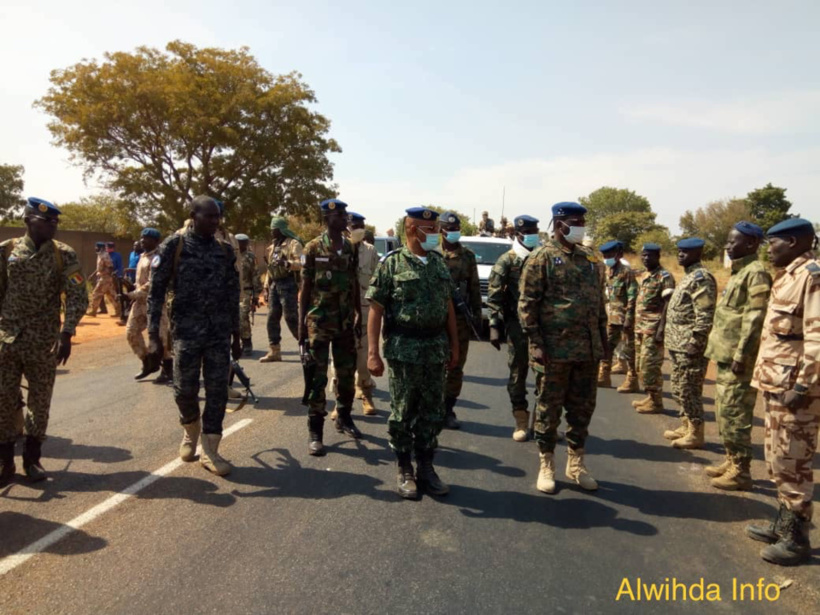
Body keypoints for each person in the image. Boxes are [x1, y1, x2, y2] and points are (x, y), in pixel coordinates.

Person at [367, 206, 459, 499]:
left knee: (432, 411)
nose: (435, 234)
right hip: (403, 349)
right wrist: (372, 352)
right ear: (411, 229)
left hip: (435, 348)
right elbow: (376, 309)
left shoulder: (438, 263)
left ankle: (426, 467)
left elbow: (448, 308)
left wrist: (454, 345)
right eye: (429, 229)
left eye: (435, 229)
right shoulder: (391, 264)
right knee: (403, 411)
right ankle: (404, 467)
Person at [146, 195, 241, 476]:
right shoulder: (173, 246)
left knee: (216, 392)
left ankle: (211, 449)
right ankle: (190, 430)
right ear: (193, 215)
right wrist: (154, 333)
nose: (215, 221)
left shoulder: (224, 250)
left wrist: (237, 335)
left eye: (217, 217)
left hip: (219, 333)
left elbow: (233, 292)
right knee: (184, 389)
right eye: (209, 216)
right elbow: (156, 292)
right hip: (186, 333)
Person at [518, 202, 607, 494]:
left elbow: (599, 305)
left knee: (582, 409)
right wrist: (536, 343)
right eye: (575, 222)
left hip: (587, 351)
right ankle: (547, 464)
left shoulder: (590, 258)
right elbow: (527, 305)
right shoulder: (541, 258)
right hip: (554, 351)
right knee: (548, 409)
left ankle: (576, 464)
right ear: (559, 224)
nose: (581, 226)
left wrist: (603, 343)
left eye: (583, 221)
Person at [745, 218, 819, 567]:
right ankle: (782, 523)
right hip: (776, 381)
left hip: (796, 388)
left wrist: (805, 385)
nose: (767, 249)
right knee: (777, 458)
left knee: (793, 461)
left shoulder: (812, 276)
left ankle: (797, 538)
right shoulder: (790, 274)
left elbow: (817, 337)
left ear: (791, 241)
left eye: (771, 243)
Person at [0, 197, 88, 486]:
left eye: (55, 221)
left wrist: (67, 334)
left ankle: (32, 459)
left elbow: (77, 296)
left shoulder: (64, 254)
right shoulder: (7, 251)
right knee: (3, 401)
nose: (53, 226)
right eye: (46, 221)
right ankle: (5, 463)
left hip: (44, 342)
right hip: (7, 341)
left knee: (39, 402)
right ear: (28, 220)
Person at [703, 222, 771, 490]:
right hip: (725, 355)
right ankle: (731, 461)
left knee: (736, 415)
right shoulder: (739, 272)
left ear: (752, 244)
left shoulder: (756, 273)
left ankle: (742, 471)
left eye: (734, 242)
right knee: (724, 412)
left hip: (738, 359)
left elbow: (754, 319)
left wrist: (742, 355)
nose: (729, 246)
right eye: (728, 242)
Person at [299, 199, 362, 456]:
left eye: (345, 214)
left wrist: (358, 313)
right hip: (319, 322)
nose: (345, 218)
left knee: (347, 375)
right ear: (327, 218)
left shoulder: (349, 246)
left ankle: (344, 416)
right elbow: (305, 289)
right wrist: (303, 326)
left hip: (346, 322)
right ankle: (316, 431)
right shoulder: (312, 247)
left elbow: (354, 282)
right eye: (340, 215)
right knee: (317, 377)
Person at [487, 214, 540, 441]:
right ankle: (521, 420)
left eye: (534, 231)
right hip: (517, 327)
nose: (532, 236)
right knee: (518, 373)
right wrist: (494, 326)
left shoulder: (543, 257)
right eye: (528, 232)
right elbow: (494, 296)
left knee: (546, 376)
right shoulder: (506, 261)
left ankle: (541, 422)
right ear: (518, 234)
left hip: (545, 328)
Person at [663, 238, 717, 449]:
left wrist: (696, 341)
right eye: (679, 251)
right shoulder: (689, 276)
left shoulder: (701, 278)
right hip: (678, 344)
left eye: (686, 252)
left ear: (698, 253)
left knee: (689, 389)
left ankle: (696, 432)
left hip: (689, 346)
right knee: (678, 387)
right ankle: (686, 425)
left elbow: (704, 314)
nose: (681, 255)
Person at [330, 212, 380, 417]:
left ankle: (366, 395)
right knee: (338, 360)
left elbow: (378, 283)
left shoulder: (371, 252)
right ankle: (339, 402)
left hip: (365, 313)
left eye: (361, 226)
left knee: (363, 359)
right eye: (354, 226)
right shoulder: (338, 250)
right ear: (346, 228)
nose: (359, 229)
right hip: (341, 312)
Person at [440, 212, 481, 429]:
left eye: (457, 228)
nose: (454, 232)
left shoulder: (468, 256)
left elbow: (474, 288)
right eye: (450, 228)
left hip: (461, 320)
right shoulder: (432, 254)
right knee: (434, 366)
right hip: (435, 320)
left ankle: (448, 409)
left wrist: (477, 317)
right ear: (441, 230)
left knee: (456, 366)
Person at [632, 243, 676, 413]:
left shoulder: (664, 277)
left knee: (650, 366)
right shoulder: (645, 275)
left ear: (658, 256)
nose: (645, 258)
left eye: (649, 255)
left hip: (653, 329)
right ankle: (650, 397)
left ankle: (657, 402)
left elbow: (668, 305)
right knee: (640, 366)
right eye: (643, 255)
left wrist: (661, 329)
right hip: (640, 327)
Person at [126, 228, 173, 384]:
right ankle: (148, 362)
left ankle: (167, 370)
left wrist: (133, 294)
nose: (142, 241)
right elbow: (140, 281)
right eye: (141, 238)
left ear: (155, 241)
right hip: (139, 303)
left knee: (161, 339)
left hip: (156, 303)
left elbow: (153, 283)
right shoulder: (142, 257)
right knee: (131, 332)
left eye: (146, 238)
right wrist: (131, 287)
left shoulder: (158, 257)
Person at [597, 240, 639, 392]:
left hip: (624, 318)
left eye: (609, 255)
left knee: (629, 350)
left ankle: (632, 379)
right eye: (604, 255)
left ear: (618, 255)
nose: (606, 258)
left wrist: (629, 318)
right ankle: (604, 376)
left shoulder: (626, 273)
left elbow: (633, 296)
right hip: (610, 318)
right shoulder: (606, 271)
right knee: (607, 347)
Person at [260, 216, 303, 363]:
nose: (272, 232)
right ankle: (274, 351)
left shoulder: (293, 244)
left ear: (280, 230)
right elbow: (270, 268)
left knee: (291, 317)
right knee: (272, 317)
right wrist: (266, 287)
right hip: (274, 284)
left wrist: (287, 263)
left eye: (274, 229)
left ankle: (306, 345)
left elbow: (302, 262)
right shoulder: (272, 246)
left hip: (288, 283)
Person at [236, 234, 262, 356]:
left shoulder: (250, 257)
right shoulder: (230, 255)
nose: (242, 245)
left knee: (242, 317)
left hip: (245, 292)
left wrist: (256, 295)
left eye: (244, 242)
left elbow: (256, 276)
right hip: (231, 292)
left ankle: (247, 342)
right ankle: (234, 343)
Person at [88, 241, 120, 318]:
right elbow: (99, 268)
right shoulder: (100, 255)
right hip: (103, 277)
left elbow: (110, 266)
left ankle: (93, 311)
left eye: (97, 247)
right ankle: (119, 311)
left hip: (105, 278)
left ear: (101, 248)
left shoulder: (105, 255)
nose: (95, 248)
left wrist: (108, 276)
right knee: (111, 295)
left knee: (96, 293)